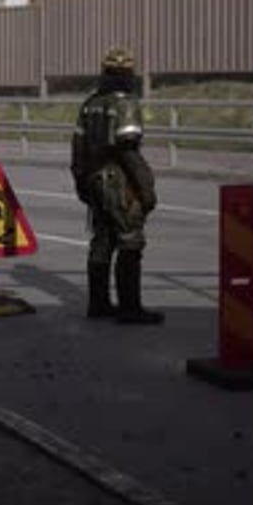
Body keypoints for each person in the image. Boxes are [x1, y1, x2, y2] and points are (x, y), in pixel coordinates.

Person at [71, 47, 164, 324]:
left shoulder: (90, 103)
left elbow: (77, 146)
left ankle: (98, 305)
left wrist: (80, 181)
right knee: (130, 240)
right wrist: (145, 187)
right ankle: (130, 308)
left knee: (101, 241)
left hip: (93, 178)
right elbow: (128, 149)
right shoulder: (126, 103)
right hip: (119, 180)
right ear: (129, 75)